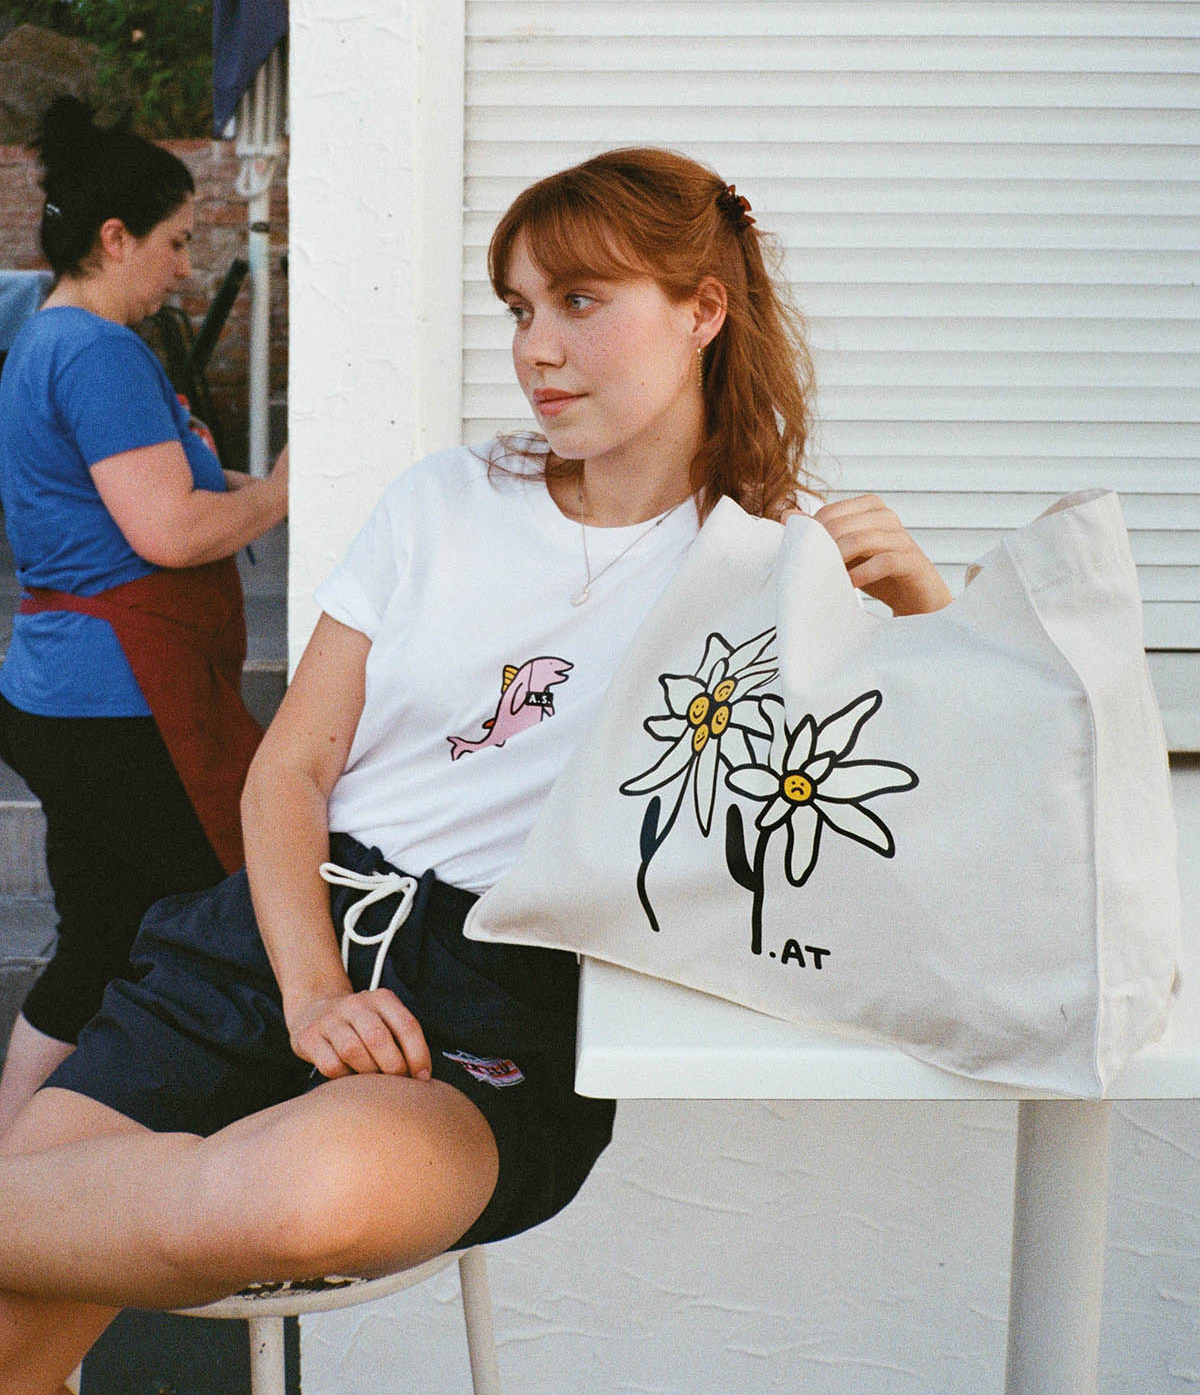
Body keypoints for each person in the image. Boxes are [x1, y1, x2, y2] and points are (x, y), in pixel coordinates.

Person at [0, 147, 949, 1391]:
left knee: (293, 1201)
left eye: (581, 301)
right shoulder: (444, 499)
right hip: (274, 942)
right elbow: (289, 776)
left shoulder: (777, 562)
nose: (537, 348)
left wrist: (925, 612)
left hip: (494, 1002)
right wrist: (309, 991)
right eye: (517, 309)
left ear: (704, 309)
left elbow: (926, 821)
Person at [0, 97, 289, 1134]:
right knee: (242, 910)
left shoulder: (52, 338)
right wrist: (286, 490)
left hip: (63, 692)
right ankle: (202, 1167)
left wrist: (266, 485)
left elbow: (171, 487)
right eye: (174, 243)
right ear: (114, 237)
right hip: (117, 701)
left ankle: (14, 1176)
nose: (184, 268)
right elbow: (168, 530)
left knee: (103, 933)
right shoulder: (96, 352)